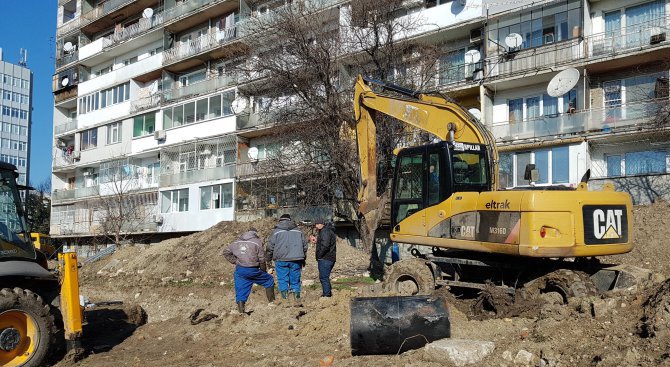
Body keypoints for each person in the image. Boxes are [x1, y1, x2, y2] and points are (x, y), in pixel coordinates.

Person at [221, 227, 275, 314]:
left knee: (240, 290)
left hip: (240, 270)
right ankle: (272, 303)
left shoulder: (236, 242)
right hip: (253, 269)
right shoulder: (257, 242)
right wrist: (263, 271)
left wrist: (235, 261)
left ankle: (241, 311)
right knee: (269, 280)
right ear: (255, 234)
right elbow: (261, 259)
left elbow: (226, 252)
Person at [266, 214, 307, 299]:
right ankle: (296, 298)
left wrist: (268, 259)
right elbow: (304, 246)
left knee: (282, 279)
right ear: (290, 220)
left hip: (281, 259)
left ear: (280, 220)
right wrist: (303, 258)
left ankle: (285, 299)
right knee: (295, 279)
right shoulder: (299, 231)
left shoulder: (276, 232)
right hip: (296, 259)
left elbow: (270, 247)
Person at [313, 217, 336, 297]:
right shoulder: (327, 231)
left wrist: (319, 255)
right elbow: (325, 243)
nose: (316, 226)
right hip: (329, 257)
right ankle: (327, 292)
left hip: (325, 258)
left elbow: (325, 245)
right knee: (325, 277)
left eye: (317, 224)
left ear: (321, 224)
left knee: (323, 277)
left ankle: (326, 295)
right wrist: (317, 241)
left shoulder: (325, 231)